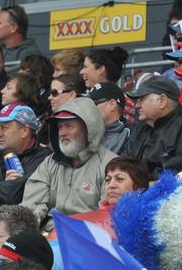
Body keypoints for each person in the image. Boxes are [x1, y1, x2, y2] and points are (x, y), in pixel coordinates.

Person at [23, 97, 116, 229]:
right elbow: (32, 205)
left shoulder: (110, 164)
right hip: (50, 235)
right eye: (60, 127)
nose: (62, 133)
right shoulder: (51, 162)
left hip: (86, 238)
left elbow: (107, 218)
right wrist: (26, 231)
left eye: (69, 126)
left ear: (88, 129)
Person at [122, 75, 182, 176]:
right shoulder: (141, 126)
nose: (137, 105)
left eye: (142, 99)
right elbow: (124, 164)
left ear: (162, 101)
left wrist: (141, 182)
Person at [0, 104, 50, 206]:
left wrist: (2, 188)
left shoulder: (43, 158)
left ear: (24, 131)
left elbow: (11, 196)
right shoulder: (0, 149)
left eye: (4, 128)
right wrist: (4, 186)